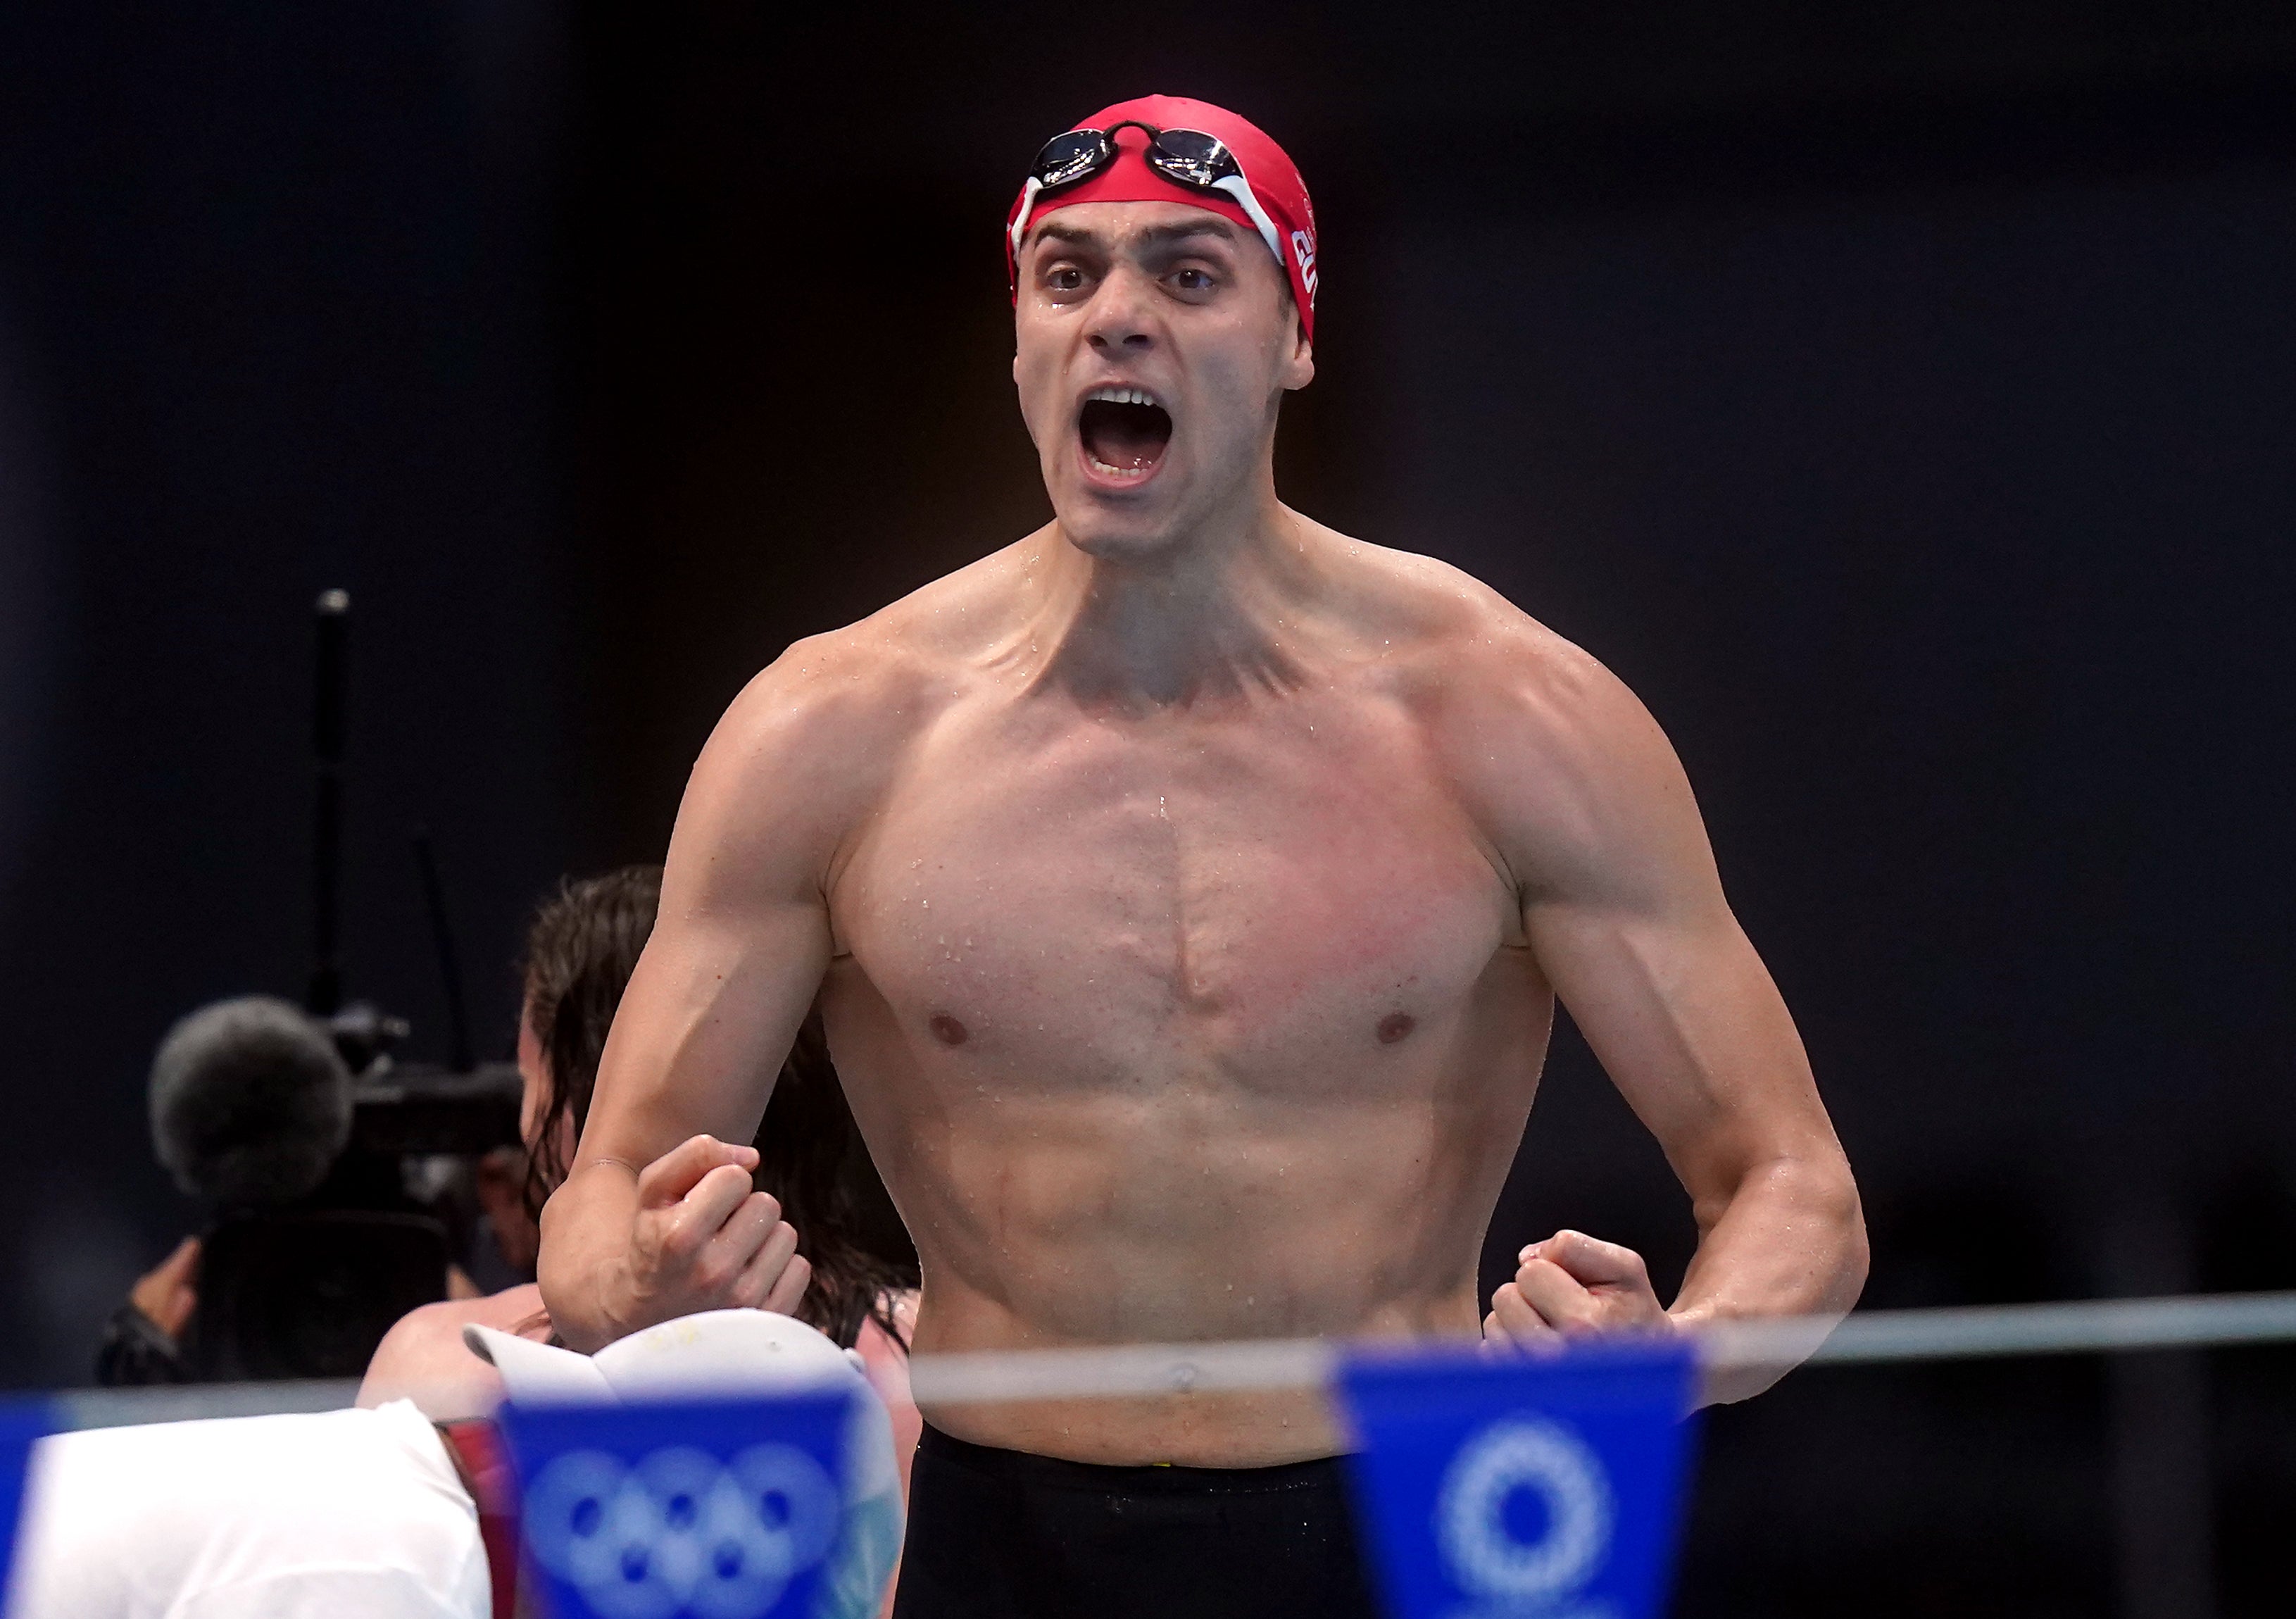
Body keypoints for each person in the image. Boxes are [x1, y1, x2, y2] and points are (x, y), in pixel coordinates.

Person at [537, 94, 1868, 1618]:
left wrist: (1672, 1362)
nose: (1117, 319)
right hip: (1001, 1535)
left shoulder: (1507, 721)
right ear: (1018, 344)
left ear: (1295, 333)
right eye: (1069, 277)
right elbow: (599, 1204)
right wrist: (646, 1288)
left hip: (1399, 1523)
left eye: (1186, 273)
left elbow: (1794, 1187)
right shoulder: (831, 734)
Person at [360, 866, 921, 1454]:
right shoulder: (942, 1366)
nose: (526, 1121)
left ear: (584, 1108)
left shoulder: (439, 1365)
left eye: (530, 1078)